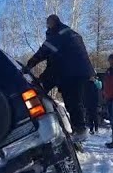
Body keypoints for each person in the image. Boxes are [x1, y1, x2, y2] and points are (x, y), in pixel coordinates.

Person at [24, 14, 95, 142]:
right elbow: (54, 62)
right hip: (81, 72)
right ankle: (79, 130)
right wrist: (43, 78)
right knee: (74, 100)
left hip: (71, 73)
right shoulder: (69, 33)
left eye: (48, 25)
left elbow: (44, 52)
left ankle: (80, 130)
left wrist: (29, 65)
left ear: (52, 23)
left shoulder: (58, 35)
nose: (47, 28)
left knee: (72, 101)